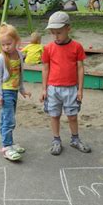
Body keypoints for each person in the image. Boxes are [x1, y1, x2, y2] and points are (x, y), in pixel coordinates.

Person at [40, 11, 91, 155]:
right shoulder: (48, 48)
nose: (56, 36)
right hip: (53, 89)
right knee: (54, 115)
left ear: (68, 28)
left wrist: (80, 90)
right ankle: (56, 140)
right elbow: (45, 68)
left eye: (59, 32)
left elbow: (80, 68)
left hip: (71, 88)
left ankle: (75, 139)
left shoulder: (77, 47)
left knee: (72, 116)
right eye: (53, 33)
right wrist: (44, 89)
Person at [0, 23, 32, 161]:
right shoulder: (1, 59)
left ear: (17, 41)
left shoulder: (19, 55)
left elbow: (19, 75)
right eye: (3, 45)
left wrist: (22, 90)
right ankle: (6, 146)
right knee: (8, 119)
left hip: (14, 91)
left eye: (9, 43)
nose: (6, 47)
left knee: (7, 118)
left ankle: (9, 143)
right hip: (5, 93)